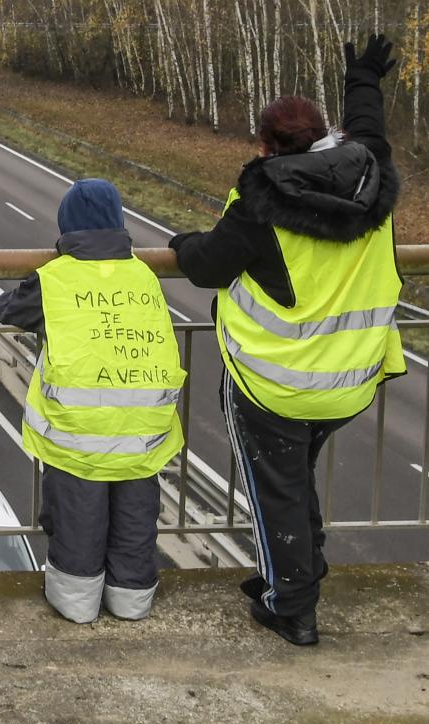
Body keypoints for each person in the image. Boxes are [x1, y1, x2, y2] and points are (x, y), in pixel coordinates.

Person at [168, 35, 405, 646]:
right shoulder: (370, 178)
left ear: (267, 148)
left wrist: (181, 243)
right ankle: (298, 570)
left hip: (273, 384)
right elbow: (369, 130)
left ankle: (291, 606)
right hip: (353, 378)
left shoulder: (261, 202)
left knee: (276, 492)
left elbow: (209, 267)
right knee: (294, 479)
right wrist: (364, 78)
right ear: (325, 138)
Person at [0, 179, 185, 624]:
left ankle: (77, 603)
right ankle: (132, 599)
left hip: (78, 436)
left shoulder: (55, 279)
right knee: (135, 518)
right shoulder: (145, 276)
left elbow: (7, 310)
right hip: (142, 434)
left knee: (79, 517)